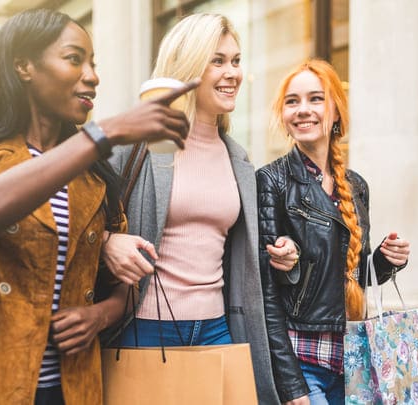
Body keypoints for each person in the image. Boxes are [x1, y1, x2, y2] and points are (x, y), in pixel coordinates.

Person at [0, 8, 197, 405]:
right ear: (23, 66)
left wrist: (100, 315)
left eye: (93, 64)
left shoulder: (93, 171)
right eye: (74, 60)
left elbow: (124, 288)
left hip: (74, 387)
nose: (92, 75)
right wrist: (104, 133)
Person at [107, 13, 297, 405]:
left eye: (237, 60)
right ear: (188, 66)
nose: (233, 73)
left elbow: (231, 252)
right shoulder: (138, 144)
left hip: (217, 330)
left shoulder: (238, 157)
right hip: (144, 329)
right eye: (217, 60)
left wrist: (280, 255)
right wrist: (107, 241)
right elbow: (73, 218)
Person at [256, 59, 412, 405]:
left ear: (336, 112)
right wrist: (291, 384)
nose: (303, 110)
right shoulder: (272, 181)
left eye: (316, 98)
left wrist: (387, 261)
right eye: (292, 101)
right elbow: (266, 294)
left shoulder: (356, 185)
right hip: (303, 361)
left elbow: (356, 275)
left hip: (353, 359)